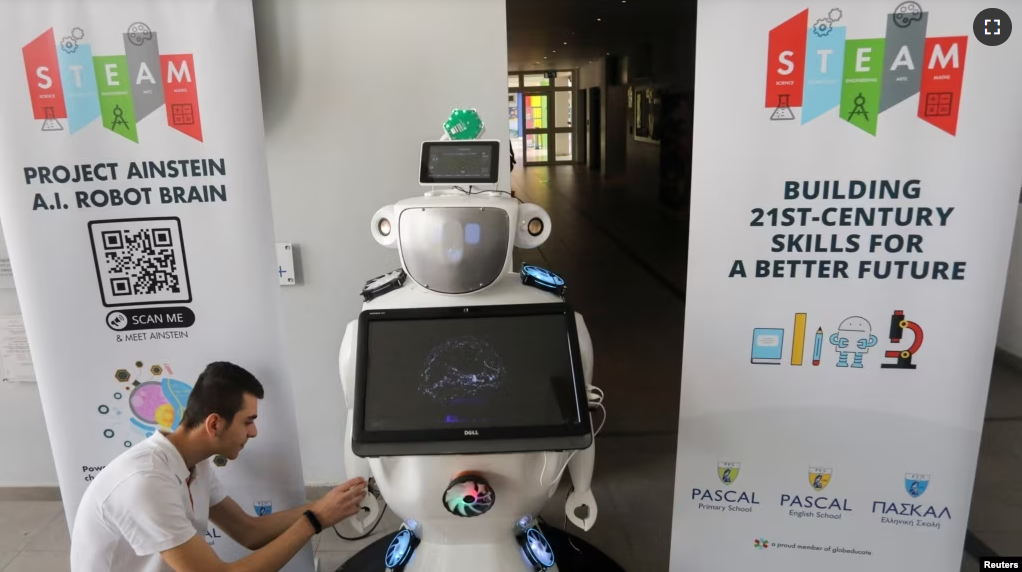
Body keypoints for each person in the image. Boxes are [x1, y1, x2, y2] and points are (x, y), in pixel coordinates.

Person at [70, 361, 367, 572]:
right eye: (248, 421)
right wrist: (313, 521)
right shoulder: (145, 483)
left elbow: (249, 531)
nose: (254, 433)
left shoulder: (193, 464)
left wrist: (325, 506)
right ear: (214, 423)